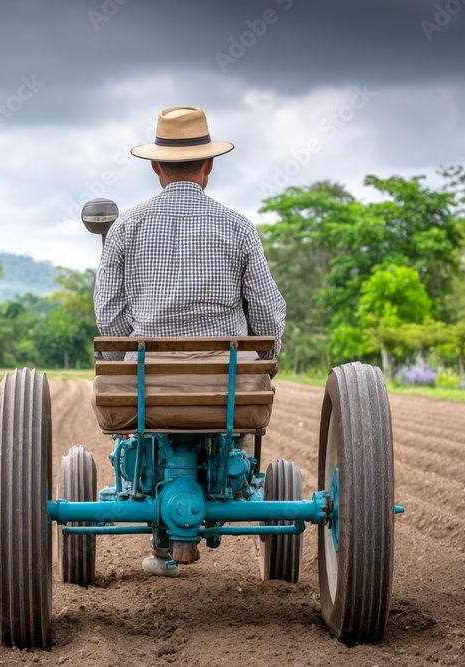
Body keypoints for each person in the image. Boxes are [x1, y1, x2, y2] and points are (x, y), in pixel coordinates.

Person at [93, 106, 286, 576]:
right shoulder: (238, 226)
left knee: (131, 382)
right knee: (240, 389)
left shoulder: (125, 226)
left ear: (156, 167)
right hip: (227, 390)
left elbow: (109, 314)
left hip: (146, 389)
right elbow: (267, 313)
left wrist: (125, 359)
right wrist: (266, 359)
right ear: (210, 165)